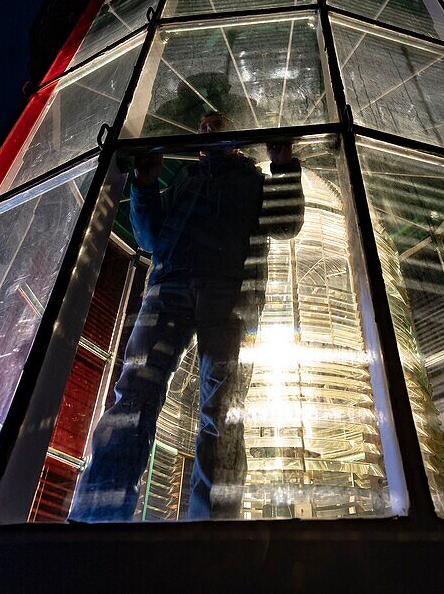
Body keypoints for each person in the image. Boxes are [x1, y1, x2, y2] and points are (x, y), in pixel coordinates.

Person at [70, 110, 305, 522]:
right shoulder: (189, 182)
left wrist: (284, 167)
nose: (206, 129)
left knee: (221, 406)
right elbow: (148, 237)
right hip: (187, 291)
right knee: (139, 397)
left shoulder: (247, 180)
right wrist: (145, 185)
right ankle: (103, 518)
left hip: (222, 294)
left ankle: (199, 524)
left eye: (216, 125)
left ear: (235, 138)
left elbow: (285, 223)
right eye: (204, 125)